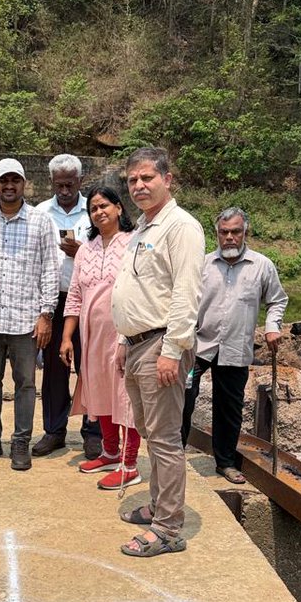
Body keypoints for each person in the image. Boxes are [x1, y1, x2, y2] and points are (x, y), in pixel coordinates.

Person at [111, 147, 205, 556]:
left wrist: (173, 350)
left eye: (147, 177)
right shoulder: (143, 229)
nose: (139, 186)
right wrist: (122, 341)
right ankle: (158, 504)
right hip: (138, 345)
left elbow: (187, 293)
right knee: (150, 432)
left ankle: (167, 529)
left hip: (161, 345)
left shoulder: (181, 227)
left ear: (168, 179)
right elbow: (136, 290)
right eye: (132, 180)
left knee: (164, 439)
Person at [181, 205, 288, 483]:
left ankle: (225, 463)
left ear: (245, 233)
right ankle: (175, 457)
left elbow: (277, 300)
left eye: (235, 232)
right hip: (199, 345)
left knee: (229, 408)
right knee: (182, 398)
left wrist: (272, 327)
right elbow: (185, 299)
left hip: (236, 347)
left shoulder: (262, 266)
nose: (229, 237)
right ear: (216, 233)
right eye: (224, 232)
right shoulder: (203, 264)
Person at [0, 158, 60, 471]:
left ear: (24, 183)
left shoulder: (40, 221)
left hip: (26, 320)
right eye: (3, 180)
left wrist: (46, 314)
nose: (9, 186)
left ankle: (21, 440)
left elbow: (50, 268)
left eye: (15, 180)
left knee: (25, 384)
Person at [61, 186, 141, 490]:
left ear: (119, 208)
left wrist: (128, 336)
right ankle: (110, 452)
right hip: (91, 335)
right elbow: (75, 295)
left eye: (104, 205)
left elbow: (140, 290)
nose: (99, 212)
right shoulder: (86, 249)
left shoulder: (134, 243)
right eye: (93, 208)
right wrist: (67, 337)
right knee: (101, 391)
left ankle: (130, 464)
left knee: (125, 396)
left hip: (124, 334)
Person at [33, 153, 101, 459]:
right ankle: (54, 430)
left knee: (90, 366)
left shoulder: (95, 211)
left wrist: (81, 251)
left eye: (70, 184)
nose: (64, 190)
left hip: (90, 299)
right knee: (54, 368)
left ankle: (93, 431)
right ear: (51, 182)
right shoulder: (40, 213)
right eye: (59, 185)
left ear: (80, 181)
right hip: (55, 299)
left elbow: (111, 250)